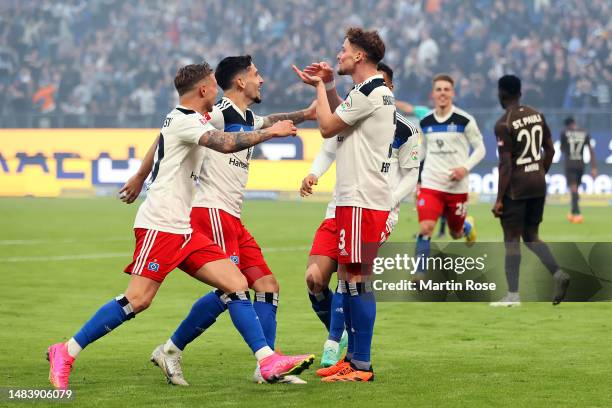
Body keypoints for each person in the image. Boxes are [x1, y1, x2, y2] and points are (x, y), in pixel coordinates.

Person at [46, 62, 314, 390]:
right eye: (213, 86)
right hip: (160, 225)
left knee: (236, 282)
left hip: (183, 227)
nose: (217, 91)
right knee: (138, 300)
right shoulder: (187, 120)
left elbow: (175, 137)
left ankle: (266, 359)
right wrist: (272, 133)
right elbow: (224, 143)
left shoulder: (191, 119)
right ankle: (66, 350)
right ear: (203, 90)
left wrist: (139, 176)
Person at [122, 55, 316, 386]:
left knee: (268, 286)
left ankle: (266, 365)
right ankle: (173, 350)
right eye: (257, 74)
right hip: (209, 211)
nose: (262, 79)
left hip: (233, 217)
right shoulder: (217, 112)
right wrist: (141, 175)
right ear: (240, 81)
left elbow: (269, 120)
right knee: (232, 289)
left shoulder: (246, 116)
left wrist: (307, 115)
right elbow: (167, 135)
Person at [300, 61, 420, 370]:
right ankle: (346, 345)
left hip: (373, 209)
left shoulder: (404, 129)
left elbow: (410, 174)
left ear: (388, 89)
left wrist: (389, 200)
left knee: (350, 278)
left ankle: (344, 350)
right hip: (339, 207)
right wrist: (314, 174)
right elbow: (329, 147)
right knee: (315, 279)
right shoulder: (351, 112)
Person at [293, 27, 395, 382]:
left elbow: (326, 127)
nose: (338, 55)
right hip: (363, 199)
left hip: (361, 199)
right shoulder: (371, 91)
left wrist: (320, 86)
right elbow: (343, 121)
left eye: (343, 50)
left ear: (359, 56)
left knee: (356, 280)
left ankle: (361, 365)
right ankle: (352, 360)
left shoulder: (369, 91)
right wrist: (332, 88)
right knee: (352, 282)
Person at [490, 75, 570, 307]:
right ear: (520, 92)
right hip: (538, 184)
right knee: (532, 236)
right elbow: (551, 151)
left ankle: (513, 296)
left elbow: (505, 166)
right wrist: (539, 173)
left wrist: (498, 200)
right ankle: (558, 274)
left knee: (511, 240)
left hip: (516, 188)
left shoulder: (504, 124)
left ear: (502, 93)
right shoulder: (538, 115)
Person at [413, 74, 485, 281]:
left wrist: (465, 167)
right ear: (433, 94)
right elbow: (422, 151)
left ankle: (467, 227)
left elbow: (480, 148)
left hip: (457, 186)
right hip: (431, 184)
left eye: (446, 89)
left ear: (452, 93)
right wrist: (413, 177)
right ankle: (420, 271)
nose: (442, 93)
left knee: (455, 233)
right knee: (426, 227)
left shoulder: (465, 120)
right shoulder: (425, 121)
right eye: (439, 89)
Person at [560, 117, 598, 223]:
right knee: (576, 189)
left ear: (567, 125)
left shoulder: (564, 133)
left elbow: (562, 149)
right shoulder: (584, 133)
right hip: (581, 165)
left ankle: (577, 213)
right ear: (574, 123)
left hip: (570, 165)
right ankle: (572, 212)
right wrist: (594, 167)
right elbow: (591, 151)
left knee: (573, 189)